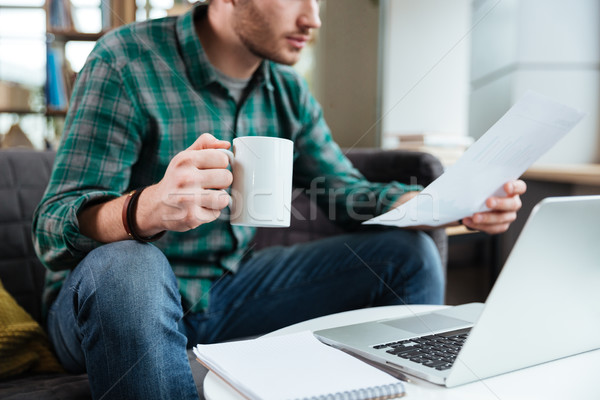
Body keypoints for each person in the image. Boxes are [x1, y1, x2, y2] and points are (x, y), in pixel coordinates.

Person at [33, 0, 526, 399]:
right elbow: (52, 228)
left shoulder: (286, 89)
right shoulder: (126, 59)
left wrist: (450, 201)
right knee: (129, 266)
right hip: (114, 302)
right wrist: (146, 208)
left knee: (407, 255)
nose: (312, 18)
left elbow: (346, 193)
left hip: (224, 292)